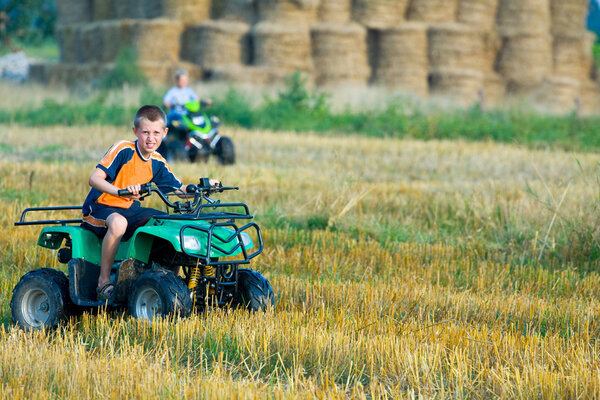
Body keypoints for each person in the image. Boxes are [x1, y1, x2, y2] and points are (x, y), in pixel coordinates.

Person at [81, 105, 219, 301]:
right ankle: (103, 282)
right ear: (135, 131)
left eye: (156, 133)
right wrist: (121, 192)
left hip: (130, 209)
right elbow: (94, 178)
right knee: (119, 224)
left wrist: (200, 188)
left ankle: (165, 279)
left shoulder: (158, 161)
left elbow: (177, 190)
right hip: (100, 206)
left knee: (167, 223)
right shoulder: (123, 149)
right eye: (145, 132)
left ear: (165, 133)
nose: (150, 138)